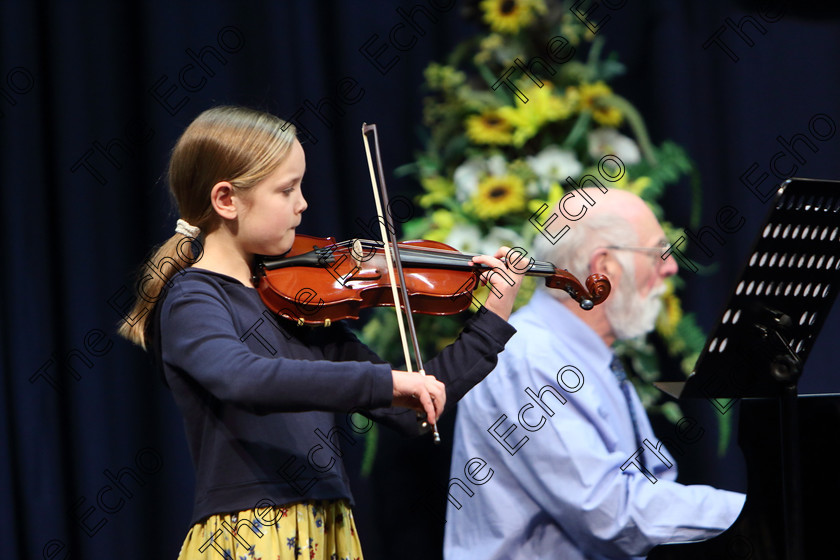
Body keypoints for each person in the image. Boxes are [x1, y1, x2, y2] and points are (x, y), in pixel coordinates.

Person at [117, 106, 523, 560]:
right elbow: (242, 377)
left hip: (328, 528)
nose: (303, 203)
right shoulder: (194, 299)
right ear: (226, 200)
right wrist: (385, 383)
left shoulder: (297, 301)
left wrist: (493, 316)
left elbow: (415, 407)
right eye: (287, 189)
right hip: (254, 533)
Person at [443, 188, 745, 560]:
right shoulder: (530, 356)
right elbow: (609, 512)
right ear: (604, 266)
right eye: (658, 252)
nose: (671, 267)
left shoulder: (588, 352)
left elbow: (652, 482)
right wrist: (751, 511)